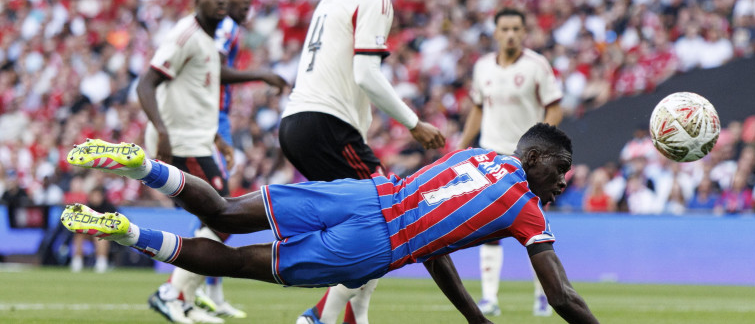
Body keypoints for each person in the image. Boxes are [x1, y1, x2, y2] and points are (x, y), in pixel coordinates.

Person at [60, 124, 600, 324]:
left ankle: (140, 165)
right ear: (533, 157)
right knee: (234, 261)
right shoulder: (524, 207)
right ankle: (125, 232)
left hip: (358, 194)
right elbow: (563, 297)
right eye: (560, 168)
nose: (562, 182)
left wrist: (474, 320)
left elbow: (438, 244)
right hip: (372, 245)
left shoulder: (473, 154)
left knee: (221, 212)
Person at [278, 0, 445, 324]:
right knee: (388, 218)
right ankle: (319, 317)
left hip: (298, 121)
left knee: (369, 230)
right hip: (325, 124)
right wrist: (413, 122)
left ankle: (354, 317)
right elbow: (366, 75)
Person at [135, 0, 231, 324]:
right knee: (222, 217)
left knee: (219, 219)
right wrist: (161, 130)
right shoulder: (186, 34)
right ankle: (172, 293)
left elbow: (199, 96)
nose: (221, 0)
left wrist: (217, 138)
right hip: (179, 141)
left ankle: (184, 298)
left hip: (198, 140)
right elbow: (147, 81)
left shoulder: (207, 39)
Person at [457, 7, 564, 317]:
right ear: (496, 32)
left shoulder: (536, 66)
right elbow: (478, 108)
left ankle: (542, 295)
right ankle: (489, 297)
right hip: (491, 155)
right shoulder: (482, 68)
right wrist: (463, 145)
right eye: (505, 29)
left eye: (516, 29)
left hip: (527, 159)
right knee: (489, 225)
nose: (511, 35)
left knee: (534, 226)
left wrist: (544, 147)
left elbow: (554, 107)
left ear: (524, 32)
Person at [195, 0, 289, 319]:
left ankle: (208, 291)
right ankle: (183, 291)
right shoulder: (226, 29)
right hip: (207, 119)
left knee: (213, 209)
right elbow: (216, 70)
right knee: (217, 209)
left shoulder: (227, 29)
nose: (245, 2)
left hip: (214, 119)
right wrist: (261, 74)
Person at [69, 186, 115, 273]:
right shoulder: (86, 209)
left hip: (106, 235)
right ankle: (77, 262)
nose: (95, 198)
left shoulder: (109, 208)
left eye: (97, 196)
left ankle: (101, 263)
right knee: (79, 234)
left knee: (99, 236)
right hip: (89, 233)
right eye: (93, 196)